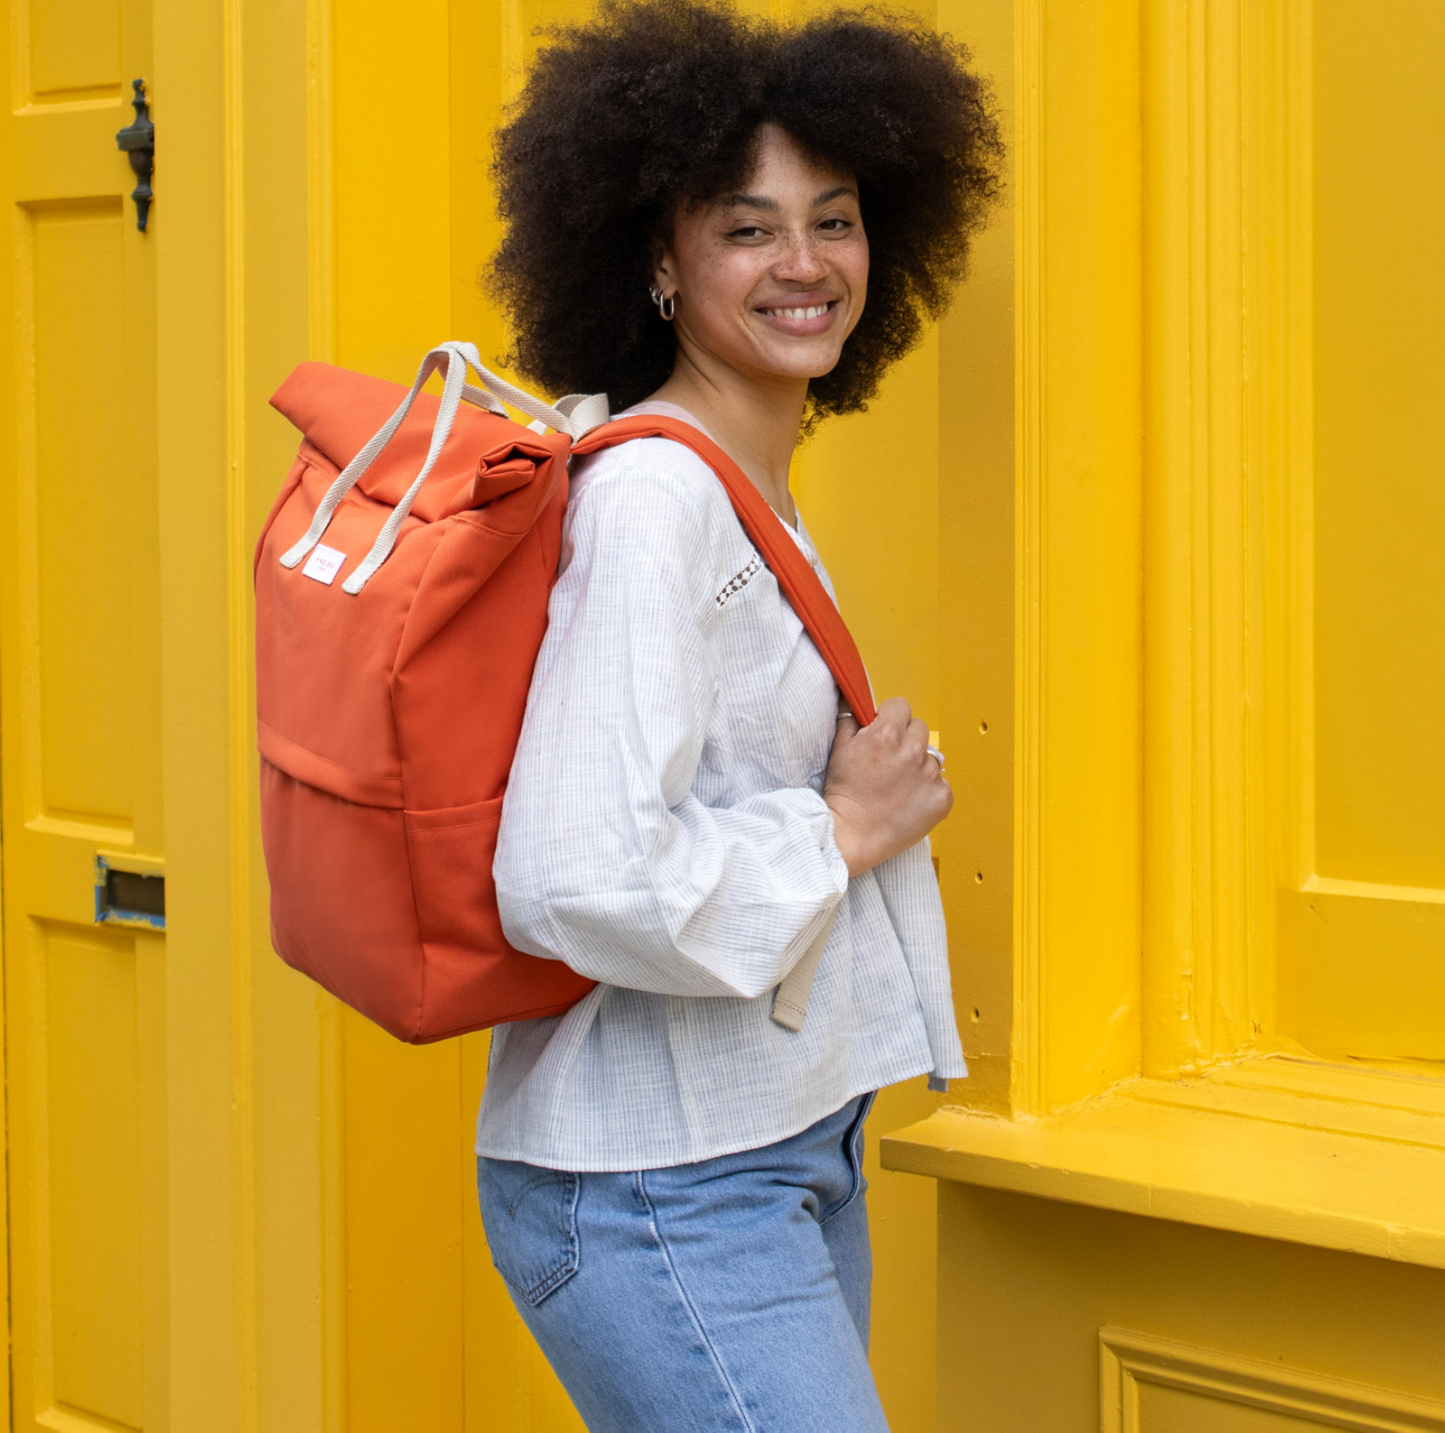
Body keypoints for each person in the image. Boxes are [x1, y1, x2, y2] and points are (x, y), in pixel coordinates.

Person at [475, 2, 1004, 1427]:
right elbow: (575, 872)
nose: (805, 265)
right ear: (658, 259)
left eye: (832, 220)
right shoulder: (656, 501)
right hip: (664, 1183)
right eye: (747, 227)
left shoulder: (743, 484)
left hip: (774, 1150)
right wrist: (840, 827)